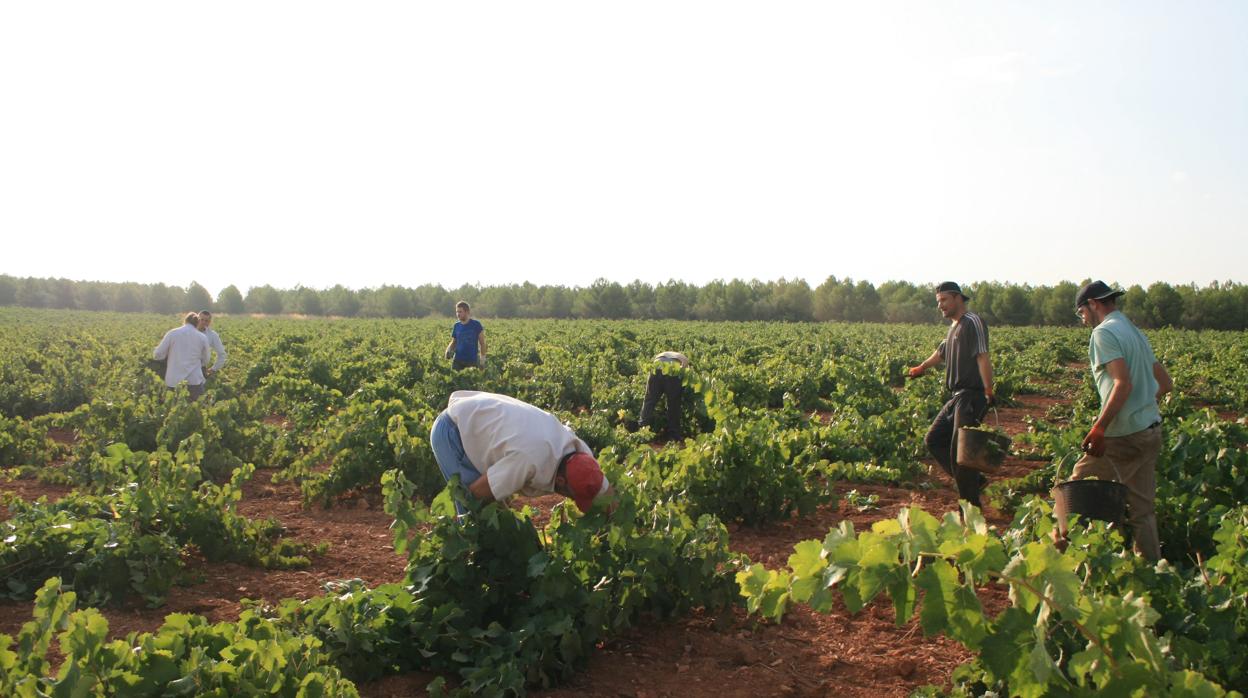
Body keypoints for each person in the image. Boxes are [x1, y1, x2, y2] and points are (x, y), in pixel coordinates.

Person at [1054, 280, 1173, 560]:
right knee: (1143, 512)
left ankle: (1053, 564)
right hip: (1149, 431)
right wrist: (1142, 409)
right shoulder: (1134, 332)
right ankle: (1151, 574)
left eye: (1081, 313)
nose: (1083, 320)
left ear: (1093, 304)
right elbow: (1165, 384)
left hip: (1122, 437)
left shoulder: (1104, 333)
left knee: (1070, 495)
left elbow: (1122, 384)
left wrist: (1099, 428)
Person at [429, 391, 613, 514]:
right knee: (473, 511)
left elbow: (608, 494)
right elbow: (476, 492)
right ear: (560, 481)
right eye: (573, 496)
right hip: (454, 431)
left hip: (483, 417)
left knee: (497, 512)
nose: (573, 501)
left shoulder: (581, 456)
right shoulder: (528, 460)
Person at [907, 282, 995, 509]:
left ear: (958, 298)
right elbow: (941, 352)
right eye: (938, 302)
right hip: (956, 397)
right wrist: (922, 367)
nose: (940, 306)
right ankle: (975, 482)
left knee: (962, 454)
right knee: (934, 440)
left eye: (944, 300)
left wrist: (988, 389)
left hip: (971, 396)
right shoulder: (954, 328)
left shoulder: (972, 322)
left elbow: (982, 355)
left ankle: (971, 512)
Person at [153, 312, 211, 401]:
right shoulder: (202, 337)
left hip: (173, 381)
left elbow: (157, 354)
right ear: (197, 323)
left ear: (185, 321)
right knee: (196, 410)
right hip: (194, 381)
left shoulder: (172, 333)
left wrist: (168, 357)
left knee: (173, 410)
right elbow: (206, 360)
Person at [638, 351, 689, 440]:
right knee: (673, 403)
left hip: (656, 367)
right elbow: (683, 368)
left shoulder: (663, 354)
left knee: (649, 400)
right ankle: (673, 434)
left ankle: (642, 429)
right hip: (672, 369)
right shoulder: (684, 359)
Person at [444, 301, 487, 370]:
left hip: (472, 361)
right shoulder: (456, 326)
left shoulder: (476, 325)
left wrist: (482, 359)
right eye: (457, 312)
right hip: (457, 361)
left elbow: (482, 343)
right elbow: (454, 341)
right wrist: (448, 350)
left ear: (467, 312)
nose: (458, 314)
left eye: (460, 312)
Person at [196, 310, 227, 377]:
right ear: (197, 319)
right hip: (184, 367)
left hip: (201, 369)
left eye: (206, 321)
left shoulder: (212, 335)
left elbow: (222, 354)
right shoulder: (188, 332)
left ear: (209, 322)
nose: (203, 322)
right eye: (201, 319)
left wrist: (214, 369)